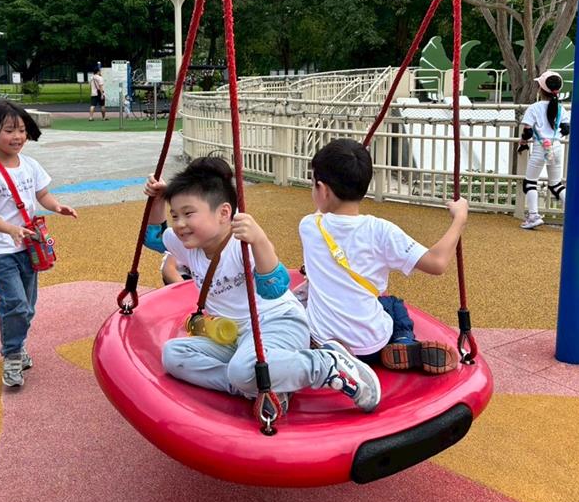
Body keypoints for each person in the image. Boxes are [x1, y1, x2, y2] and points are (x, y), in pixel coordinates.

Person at [143, 156, 382, 415]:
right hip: (235, 338)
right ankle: (260, 385)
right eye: (175, 215)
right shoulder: (187, 244)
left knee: (241, 370)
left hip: (277, 324)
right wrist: (158, 200)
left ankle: (326, 365)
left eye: (188, 214)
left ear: (224, 213)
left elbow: (274, 288)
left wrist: (259, 241)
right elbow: (153, 237)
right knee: (174, 355)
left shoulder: (241, 244)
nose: (179, 224)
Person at [299, 139, 467, 374]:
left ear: (323, 190)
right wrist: (460, 219)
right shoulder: (381, 231)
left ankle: (334, 348)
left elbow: (324, 212)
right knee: (394, 305)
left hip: (323, 341)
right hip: (370, 346)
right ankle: (404, 340)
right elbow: (437, 262)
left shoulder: (308, 226)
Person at [0, 99, 78, 387]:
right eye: (9, 131)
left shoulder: (30, 165)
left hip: (27, 247)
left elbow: (42, 195)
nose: (17, 136)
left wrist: (57, 206)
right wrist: (11, 230)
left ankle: (16, 344)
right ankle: (13, 354)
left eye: (21, 130)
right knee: (15, 303)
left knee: (27, 306)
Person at [518, 70, 571, 230]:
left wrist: (523, 142)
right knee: (556, 185)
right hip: (555, 147)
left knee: (530, 182)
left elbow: (527, 132)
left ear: (541, 89)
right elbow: (566, 129)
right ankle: (574, 212)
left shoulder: (534, 108)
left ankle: (533, 215)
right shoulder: (561, 109)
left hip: (540, 148)